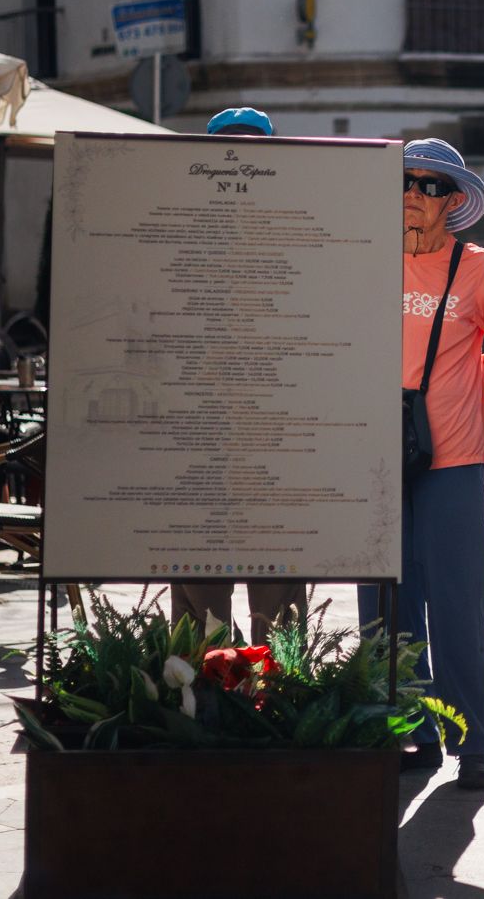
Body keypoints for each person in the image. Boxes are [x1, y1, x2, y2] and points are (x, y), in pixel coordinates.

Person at [356, 138, 484, 792]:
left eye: (430, 185)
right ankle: (410, 729)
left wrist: (463, 391)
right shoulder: (366, 261)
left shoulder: (479, 268)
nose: (413, 193)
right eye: (406, 180)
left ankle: (474, 741)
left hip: (454, 459)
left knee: (458, 602)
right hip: (376, 456)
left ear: (453, 200)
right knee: (384, 603)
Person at [170, 106, 306, 648]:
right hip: (202, 425)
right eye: (231, 149)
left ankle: (277, 687)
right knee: (200, 578)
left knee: (278, 576)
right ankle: (200, 689)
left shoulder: (295, 226)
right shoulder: (181, 227)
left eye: (255, 150)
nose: (241, 162)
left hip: (274, 424)